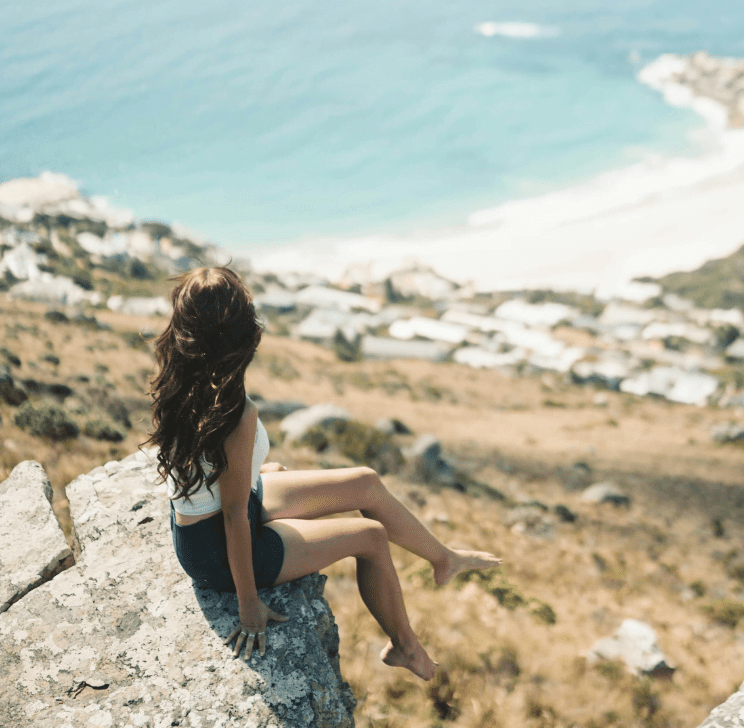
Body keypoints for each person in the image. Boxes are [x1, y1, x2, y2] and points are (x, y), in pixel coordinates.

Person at [148, 266, 501, 680]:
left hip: (200, 525)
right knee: (370, 537)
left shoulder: (185, 376)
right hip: (218, 551)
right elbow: (233, 518)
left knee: (364, 482)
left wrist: (255, 480)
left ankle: (444, 559)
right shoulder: (234, 412)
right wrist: (249, 607)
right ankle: (405, 646)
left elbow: (215, 477)